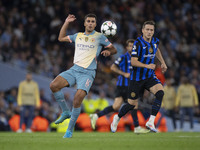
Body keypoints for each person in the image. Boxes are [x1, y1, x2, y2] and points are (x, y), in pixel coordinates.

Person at [50, 14, 117, 138]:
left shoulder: (100, 37)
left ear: (95, 24)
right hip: (74, 69)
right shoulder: (78, 36)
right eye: (88, 21)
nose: (90, 23)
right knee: (54, 85)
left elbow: (114, 49)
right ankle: (65, 111)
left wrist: (108, 51)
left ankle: (69, 130)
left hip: (88, 73)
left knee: (77, 99)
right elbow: (60, 38)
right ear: (85, 23)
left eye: (93, 21)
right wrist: (66, 22)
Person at [111, 20, 167, 133]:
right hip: (136, 79)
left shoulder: (155, 41)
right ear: (142, 31)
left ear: (153, 31)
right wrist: (147, 65)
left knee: (160, 93)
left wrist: (163, 62)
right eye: (147, 29)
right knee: (131, 104)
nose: (149, 32)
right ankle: (117, 118)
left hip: (149, 77)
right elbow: (133, 61)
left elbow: (157, 50)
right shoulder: (138, 43)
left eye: (151, 30)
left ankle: (150, 122)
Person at [90, 39, 149, 133]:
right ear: (126, 47)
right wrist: (124, 73)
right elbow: (113, 67)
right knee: (134, 104)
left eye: (133, 46)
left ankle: (96, 116)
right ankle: (136, 127)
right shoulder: (124, 57)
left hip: (127, 86)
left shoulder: (137, 59)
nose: (132, 48)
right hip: (124, 85)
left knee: (116, 106)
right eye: (130, 46)